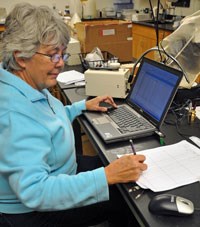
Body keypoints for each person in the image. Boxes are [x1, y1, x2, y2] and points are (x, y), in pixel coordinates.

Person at [0, 3, 147, 227]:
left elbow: (44, 121)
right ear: (21, 57)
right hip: (34, 209)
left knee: (119, 165)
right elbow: (35, 191)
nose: (60, 64)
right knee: (129, 197)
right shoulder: (14, 113)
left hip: (60, 169)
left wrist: (80, 107)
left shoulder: (21, 81)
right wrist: (106, 176)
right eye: (52, 56)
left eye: (62, 54)